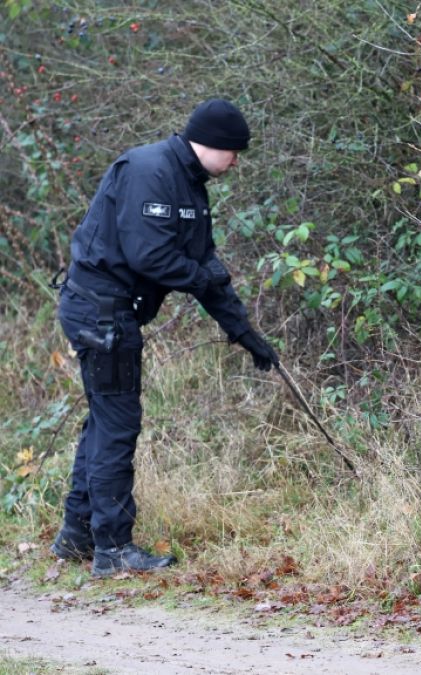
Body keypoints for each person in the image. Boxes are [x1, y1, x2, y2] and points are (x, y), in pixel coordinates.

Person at [49, 99, 279, 577]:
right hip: (100, 312)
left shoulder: (190, 186)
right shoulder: (149, 171)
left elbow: (206, 270)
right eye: (234, 151)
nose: (236, 161)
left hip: (112, 312)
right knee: (118, 424)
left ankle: (76, 536)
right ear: (212, 143)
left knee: (105, 419)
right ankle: (112, 551)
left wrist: (244, 332)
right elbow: (149, 256)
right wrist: (199, 277)